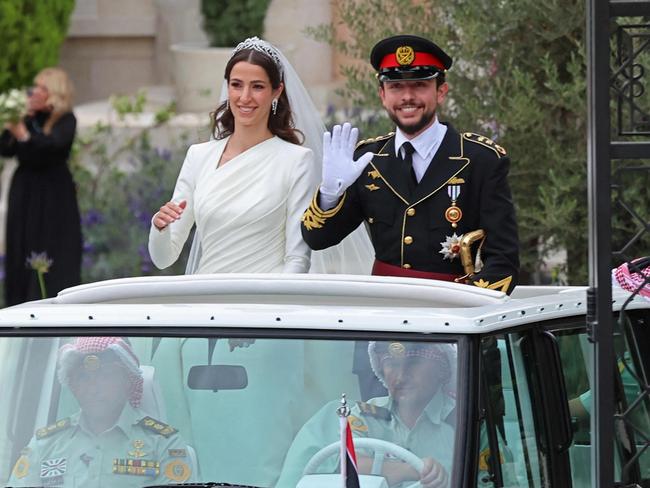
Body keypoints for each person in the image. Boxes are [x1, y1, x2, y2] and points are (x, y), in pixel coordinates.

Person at [147, 37, 373, 486]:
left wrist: (267, 322)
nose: (244, 97)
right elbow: (166, 256)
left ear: (276, 93)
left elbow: (297, 256)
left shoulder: (296, 160)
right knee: (194, 454)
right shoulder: (199, 156)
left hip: (266, 333)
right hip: (198, 327)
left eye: (256, 87)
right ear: (226, 89)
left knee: (262, 452)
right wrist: (158, 226)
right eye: (236, 85)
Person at [300, 34, 519, 293]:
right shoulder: (367, 160)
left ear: (441, 92)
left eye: (419, 85)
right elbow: (318, 239)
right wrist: (329, 194)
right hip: (384, 312)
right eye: (396, 87)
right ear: (382, 95)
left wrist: (463, 306)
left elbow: (504, 262)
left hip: (452, 315)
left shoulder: (480, 159)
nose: (407, 97)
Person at [7, 337, 194, 487]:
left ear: (128, 381)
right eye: (83, 377)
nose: (93, 388)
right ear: (72, 387)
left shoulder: (163, 444)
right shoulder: (45, 444)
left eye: (106, 375)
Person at [275, 341, 457, 488]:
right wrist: (416, 470)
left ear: (441, 369)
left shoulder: (463, 421)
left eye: (414, 364)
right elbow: (352, 466)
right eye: (392, 364)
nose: (401, 376)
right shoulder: (363, 415)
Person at [0, 67, 82, 305]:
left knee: (53, 246)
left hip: (53, 195)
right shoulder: (28, 118)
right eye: (35, 87)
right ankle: (20, 301)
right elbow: (6, 149)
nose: (35, 92)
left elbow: (51, 149)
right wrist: (14, 124)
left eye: (42, 88)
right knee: (22, 244)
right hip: (26, 192)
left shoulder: (66, 120)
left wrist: (24, 134)